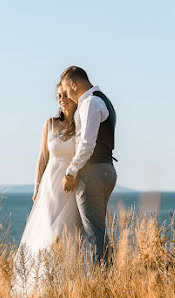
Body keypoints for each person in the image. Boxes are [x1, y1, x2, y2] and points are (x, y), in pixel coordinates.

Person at [12, 82, 82, 295]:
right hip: (50, 186)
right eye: (58, 96)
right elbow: (42, 157)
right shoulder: (50, 124)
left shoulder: (80, 124)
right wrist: (36, 187)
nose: (61, 99)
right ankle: (42, 284)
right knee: (49, 230)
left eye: (65, 95)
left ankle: (66, 284)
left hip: (71, 186)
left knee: (67, 231)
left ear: (73, 96)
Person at [60, 66, 117, 262]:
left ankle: (102, 282)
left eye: (67, 91)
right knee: (97, 231)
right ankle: (104, 276)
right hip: (106, 169)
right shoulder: (103, 100)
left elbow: (86, 144)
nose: (68, 96)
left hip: (92, 173)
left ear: (74, 85)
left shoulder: (90, 103)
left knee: (94, 235)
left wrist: (70, 172)